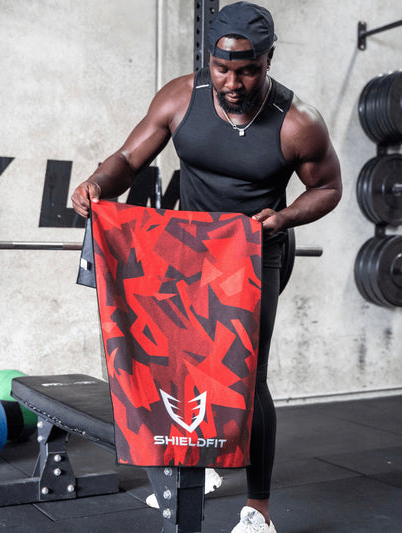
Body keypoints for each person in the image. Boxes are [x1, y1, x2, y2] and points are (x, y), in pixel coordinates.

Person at [71, 2, 342, 532]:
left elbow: (328, 187)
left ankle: (259, 509)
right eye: (222, 69)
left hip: (253, 252)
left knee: (245, 376)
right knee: (181, 367)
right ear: (209, 60)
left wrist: (283, 217)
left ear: (269, 60)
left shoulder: (297, 122)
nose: (233, 84)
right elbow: (128, 159)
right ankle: (200, 468)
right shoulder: (180, 98)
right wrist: (98, 184)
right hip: (185, 253)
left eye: (248, 71)